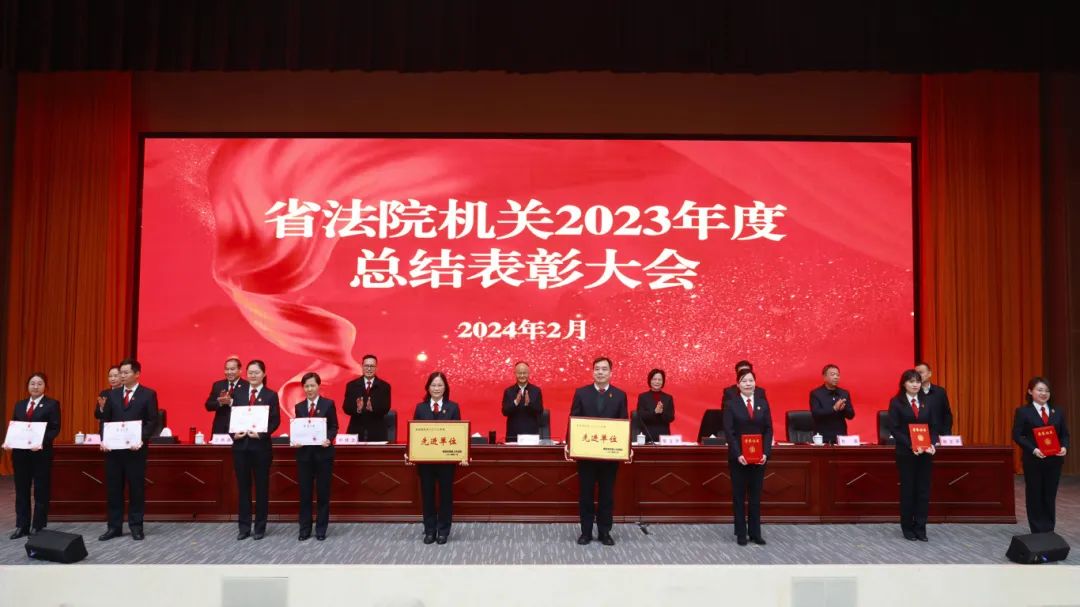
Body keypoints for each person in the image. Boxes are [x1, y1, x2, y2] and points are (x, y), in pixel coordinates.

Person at [569, 357, 628, 546]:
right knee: (586, 494)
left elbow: (623, 423)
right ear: (593, 371)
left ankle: (604, 532)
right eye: (597, 369)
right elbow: (573, 419)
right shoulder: (581, 393)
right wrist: (570, 444)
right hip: (586, 455)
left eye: (604, 369)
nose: (600, 372)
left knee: (607, 495)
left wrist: (626, 447)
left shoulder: (619, 395)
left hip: (609, 456)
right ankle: (585, 532)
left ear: (611, 373)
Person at [98, 358, 159, 541]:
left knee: (136, 489)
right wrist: (104, 439)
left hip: (135, 450)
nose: (122, 376)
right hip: (114, 451)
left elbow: (152, 421)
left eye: (126, 373)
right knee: (114, 489)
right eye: (121, 373)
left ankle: (136, 526)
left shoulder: (148, 394)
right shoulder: (112, 395)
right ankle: (114, 526)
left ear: (137, 374)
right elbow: (105, 420)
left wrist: (141, 438)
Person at [4, 373, 61, 539]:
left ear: (45, 386)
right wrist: (9, 441)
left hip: (40, 454)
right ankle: (22, 525)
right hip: (21, 454)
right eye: (32, 383)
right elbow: (15, 427)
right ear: (28, 386)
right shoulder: (20, 405)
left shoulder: (52, 404)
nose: (35, 386)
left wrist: (40, 442)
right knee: (21, 490)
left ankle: (38, 525)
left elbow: (55, 429)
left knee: (41, 490)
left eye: (39, 383)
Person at [230, 360, 280, 540]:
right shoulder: (238, 394)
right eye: (250, 372)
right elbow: (232, 418)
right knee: (243, 489)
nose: (252, 375)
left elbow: (275, 420)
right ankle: (244, 527)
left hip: (261, 448)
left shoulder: (270, 395)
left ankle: (260, 527)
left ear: (264, 374)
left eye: (256, 372)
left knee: (261, 489)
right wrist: (233, 434)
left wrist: (261, 434)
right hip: (241, 448)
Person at [1012, 377, 1070, 533]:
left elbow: (1064, 434)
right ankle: (1037, 530)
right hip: (1034, 460)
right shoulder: (1023, 412)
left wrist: (1064, 446)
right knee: (1035, 494)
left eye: (1047, 391)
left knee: (1050, 495)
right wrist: (1033, 449)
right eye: (1040, 390)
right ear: (1030, 391)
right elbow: (1018, 435)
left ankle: (1049, 529)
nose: (1044, 393)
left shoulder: (1058, 411)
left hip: (1054, 460)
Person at [411, 371, 463, 544]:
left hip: (446, 461)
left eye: (440, 385)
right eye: (433, 385)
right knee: (427, 496)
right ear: (428, 387)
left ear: (445, 387)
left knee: (446, 496)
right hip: (425, 461)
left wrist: (461, 454)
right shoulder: (420, 408)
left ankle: (443, 531)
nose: (436, 388)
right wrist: (411, 452)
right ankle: (429, 530)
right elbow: (415, 433)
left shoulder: (453, 407)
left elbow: (458, 434)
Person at [722, 368, 773, 546]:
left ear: (755, 383)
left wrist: (765, 453)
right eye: (744, 381)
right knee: (739, 496)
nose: (748, 384)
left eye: (751, 380)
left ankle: (755, 533)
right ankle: (741, 533)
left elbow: (768, 430)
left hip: (759, 458)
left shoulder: (763, 403)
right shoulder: (731, 404)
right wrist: (738, 454)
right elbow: (729, 432)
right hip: (739, 459)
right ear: (738, 385)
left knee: (755, 497)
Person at [886, 369, 937, 541]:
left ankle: (920, 528)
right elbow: (894, 429)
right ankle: (907, 527)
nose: (915, 384)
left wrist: (932, 443)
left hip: (925, 453)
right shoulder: (896, 402)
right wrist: (911, 445)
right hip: (906, 453)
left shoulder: (928, 402)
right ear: (904, 384)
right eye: (911, 381)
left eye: (918, 381)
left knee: (923, 491)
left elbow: (934, 427)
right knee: (908, 490)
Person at [292, 372, 338, 541]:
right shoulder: (299, 407)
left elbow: (334, 426)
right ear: (303, 388)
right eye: (306, 386)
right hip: (304, 455)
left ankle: (321, 529)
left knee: (323, 493)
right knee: (305, 494)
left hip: (323, 455)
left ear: (319, 386)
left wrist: (329, 439)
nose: (309, 389)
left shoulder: (328, 404)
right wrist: (296, 440)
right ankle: (304, 529)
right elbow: (298, 429)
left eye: (312, 385)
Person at [343, 354, 392, 441]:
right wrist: (358, 409)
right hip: (356, 430)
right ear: (362, 367)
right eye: (366, 366)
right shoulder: (352, 385)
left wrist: (372, 408)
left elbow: (386, 408)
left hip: (377, 432)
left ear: (376, 368)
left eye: (372, 366)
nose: (369, 369)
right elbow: (346, 408)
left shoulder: (384, 386)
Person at [808, 364, 855, 443]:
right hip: (822, 437)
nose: (836, 377)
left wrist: (844, 409)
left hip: (841, 437)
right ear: (824, 377)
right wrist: (834, 408)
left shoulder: (844, 393)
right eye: (832, 374)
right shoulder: (816, 393)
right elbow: (816, 414)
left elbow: (851, 415)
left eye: (838, 375)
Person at [204, 357, 249, 436]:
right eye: (226, 369)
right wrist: (220, 403)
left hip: (239, 429)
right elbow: (208, 405)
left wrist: (231, 402)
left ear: (240, 370)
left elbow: (248, 406)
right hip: (220, 429)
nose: (229, 372)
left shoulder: (247, 386)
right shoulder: (218, 385)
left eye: (232, 369)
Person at [500, 361, 543, 442]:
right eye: (519, 373)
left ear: (528, 373)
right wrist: (515, 402)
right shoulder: (509, 391)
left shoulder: (536, 391)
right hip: (513, 435)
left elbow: (540, 411)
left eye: (524, 373)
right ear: (515, 374)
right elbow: (505, 412)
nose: (522, 375)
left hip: (531, 434)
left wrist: (529, 404)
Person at [635, 368, 675, 441]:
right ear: (650, 380)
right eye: (654, 379)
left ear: (663, 381)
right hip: (647, 436)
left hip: (664, 437)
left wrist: (661, 412)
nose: (657, 382)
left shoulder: (668, 398)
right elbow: (640, 416)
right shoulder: (643, 397)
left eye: (659, 380)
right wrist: (655, 412)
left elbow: (671, 417)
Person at [914, 361, 953, 436]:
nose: (918, 375)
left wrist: (946, 433)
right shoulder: (912, 392)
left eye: (921, 372)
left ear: (929, 374)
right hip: (920, 435)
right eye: (916, 373)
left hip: (939, 435)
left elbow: (947, 414)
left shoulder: (940, 392)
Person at [94, 365, 121, 434]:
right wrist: (102, 408)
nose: (112, 379)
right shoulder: (104, 393)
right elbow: (97, 415)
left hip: (121, 430)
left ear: (122, 376)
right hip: (106, 431)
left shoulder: (126, 393)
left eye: (115, 376)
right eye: (110, 376)